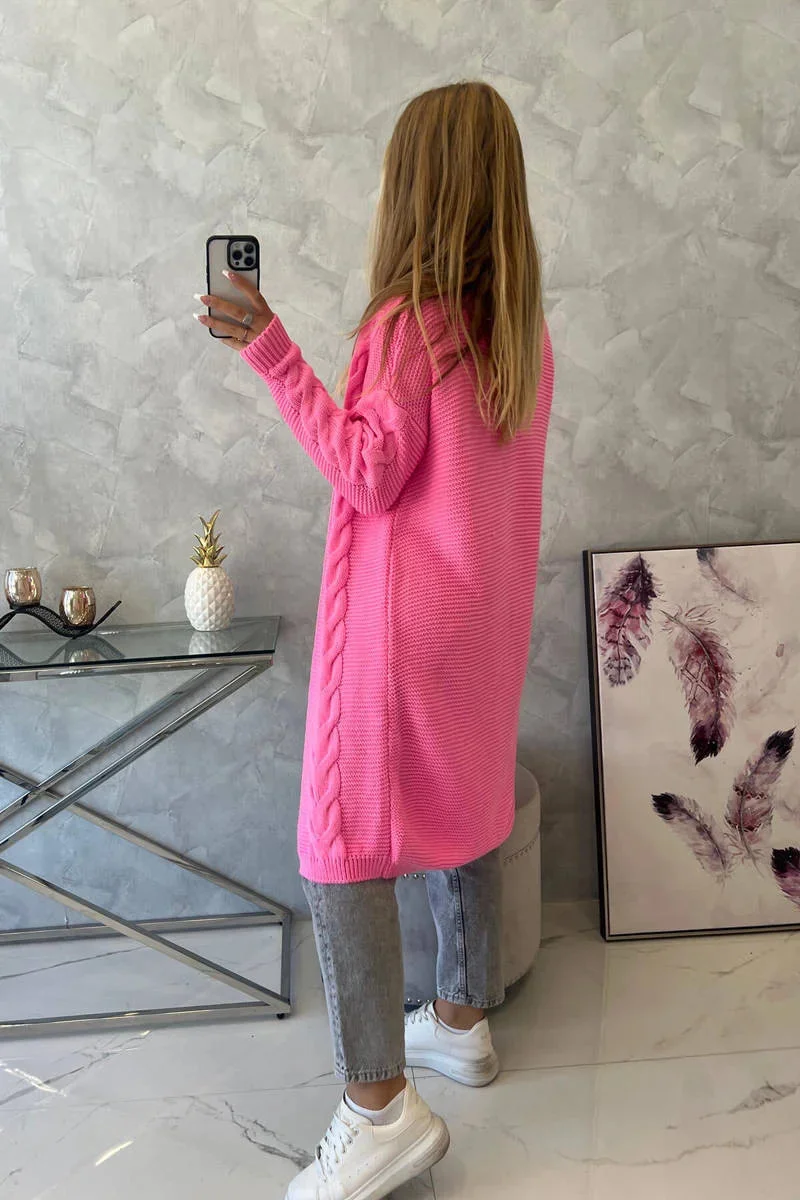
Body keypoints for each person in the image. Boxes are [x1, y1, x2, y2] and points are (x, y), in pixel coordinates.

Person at [195, 80, 554, 1200]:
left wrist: (275, 354)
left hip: (402, 635)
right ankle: (462, 1019)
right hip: (483, 632)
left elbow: (366, 472)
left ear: (416, 190)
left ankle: (377, 1106)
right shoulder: (521, 335)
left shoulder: (410, 327)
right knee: (468, 811)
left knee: (339, 844)